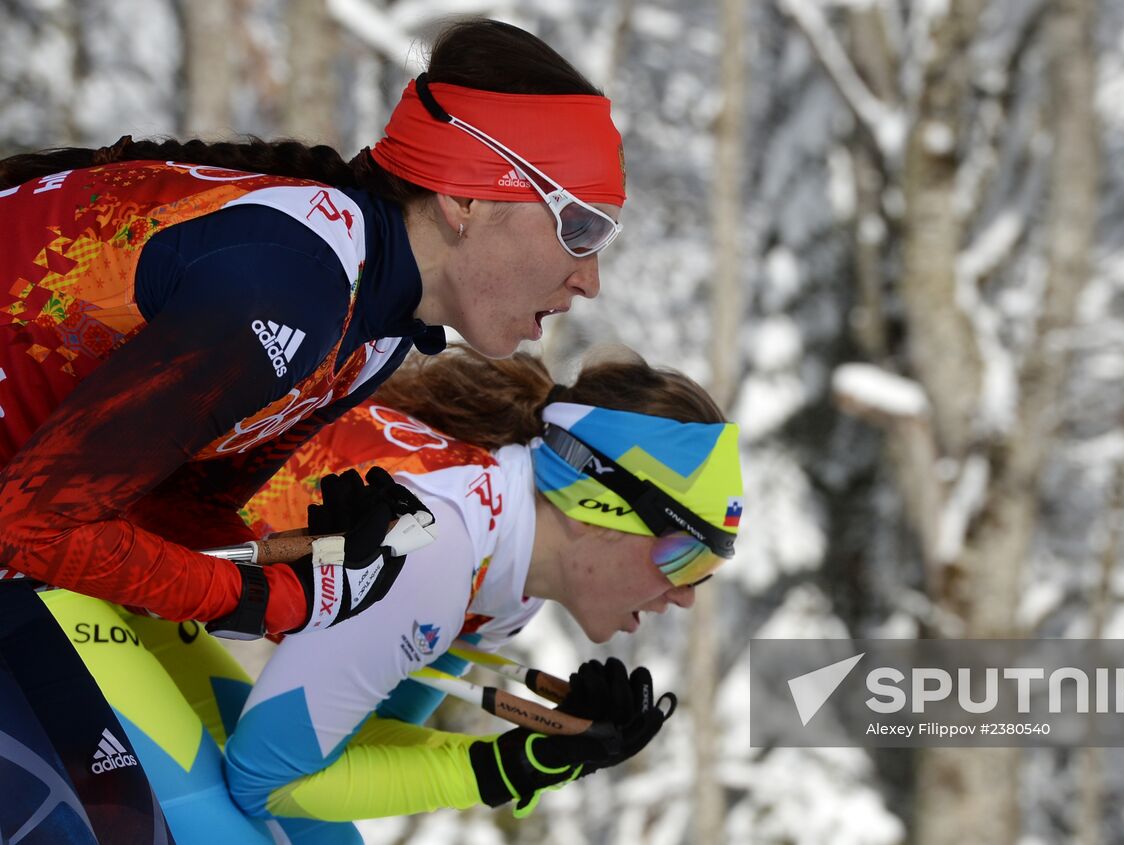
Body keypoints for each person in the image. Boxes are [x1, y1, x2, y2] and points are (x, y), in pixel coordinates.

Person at [0, 17, 628, 842]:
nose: (589, 279)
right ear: (468, 197)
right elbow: (31, 525)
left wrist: (316, 570)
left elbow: (163, 506)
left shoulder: (373, 325)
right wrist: (276, 596)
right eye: (581, 228)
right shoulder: (293, 285)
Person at [42, 345, 744, 842]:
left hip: (127, 584)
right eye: (684, 552)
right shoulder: (443, 547)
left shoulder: (506, 580)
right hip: (50, 565)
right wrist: (502, 769)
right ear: (602, 504)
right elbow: (269, 780)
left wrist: (536, 758)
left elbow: (345, 744)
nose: (685, 594)